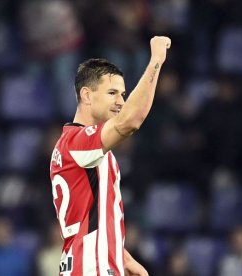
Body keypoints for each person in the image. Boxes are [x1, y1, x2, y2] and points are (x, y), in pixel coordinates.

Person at [49, 36, 171, 276]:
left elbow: (92, 218)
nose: (120, 102)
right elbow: (130, 121)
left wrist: (122, 257)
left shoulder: (81, 147)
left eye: (123, 94)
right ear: (86, 95)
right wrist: (156, 59)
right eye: (112, 93)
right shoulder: (77, 142)